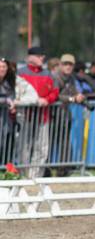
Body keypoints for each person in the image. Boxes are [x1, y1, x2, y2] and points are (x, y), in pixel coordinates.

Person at [18, 46, 60, 178]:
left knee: (42, 148)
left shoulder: (48, 74)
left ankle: (35, 176)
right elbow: (17, 92)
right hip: (25, 116)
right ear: (30, 57)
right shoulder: (20, 73)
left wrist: (47, 100)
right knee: (23, 147)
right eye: (39, 56)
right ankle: (23, 175)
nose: (42, 58)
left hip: (43, 117)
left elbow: (55, 91)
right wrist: (33, 100)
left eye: (42, 56)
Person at [51, 54, 87, 176]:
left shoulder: (71, 78)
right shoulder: (55, 77)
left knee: (65, 143)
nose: (68, 67)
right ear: (60, 65)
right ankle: (45, 170)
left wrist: (79, 96)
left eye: (70, 64)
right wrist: (72, 99)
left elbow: (73, 91)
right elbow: (55, 96)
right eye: (65, 64)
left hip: (65, 115)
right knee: (48, 143)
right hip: (52, 115)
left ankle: (63, 170)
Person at [0, 58, 38, 166]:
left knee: (6, 149)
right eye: (0, 67)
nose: (1, 69)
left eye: (4, 67)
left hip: (7, 123)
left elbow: (33, 96)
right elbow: (7, 99)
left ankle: (5, 175)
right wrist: (6, 101)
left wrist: (18, 102)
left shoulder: (13, 81)